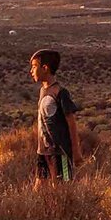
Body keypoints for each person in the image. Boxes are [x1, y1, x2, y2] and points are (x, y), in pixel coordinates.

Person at [29, 49, 80, 182]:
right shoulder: (43, 91)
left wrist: (76, 152)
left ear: (45, 68)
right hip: (43, 151)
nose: (31, 71)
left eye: (34, 67)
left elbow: (71, 123)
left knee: (62, 188)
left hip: (60, 153)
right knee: (39, 187)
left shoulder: (60, 92)